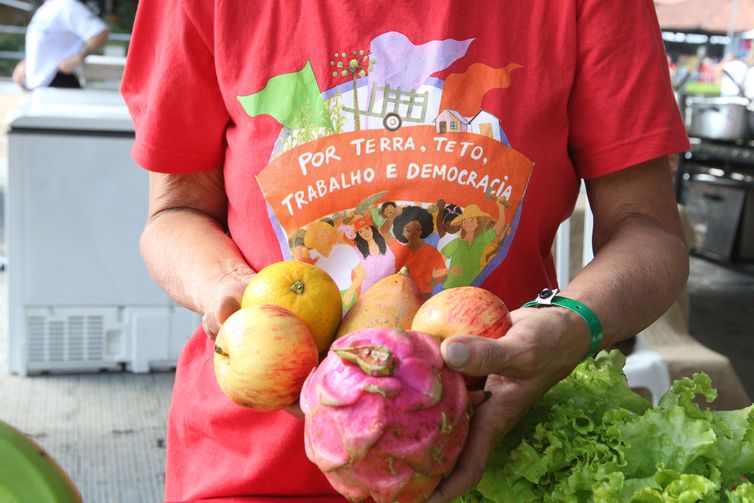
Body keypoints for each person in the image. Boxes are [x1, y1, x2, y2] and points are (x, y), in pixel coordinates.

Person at [121, 1, 690, 501]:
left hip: (487, 461)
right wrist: (227, 288)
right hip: (253, 473)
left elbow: (648, 231)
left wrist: (574, 323)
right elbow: (175, 212)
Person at [12, 0, 109, 90]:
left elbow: (100, 33)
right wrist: (27, 62)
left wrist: (78, 58)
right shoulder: (48, 6)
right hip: (41, 81)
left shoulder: (68, 6)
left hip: (56, 79)